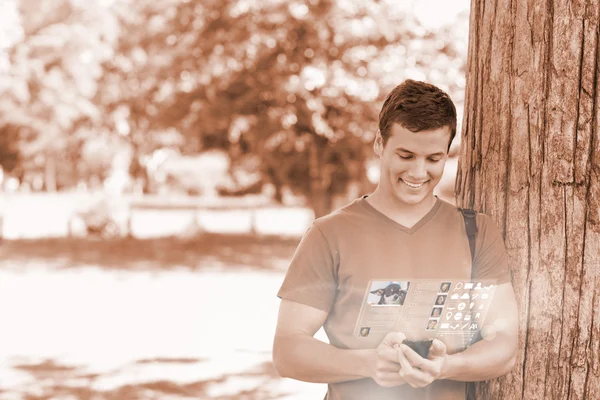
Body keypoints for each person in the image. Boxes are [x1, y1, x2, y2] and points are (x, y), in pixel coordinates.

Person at [272, 79, 519, 399]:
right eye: (406, 155)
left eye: (433, 159)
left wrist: (446, 367)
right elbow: (288, 349)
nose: (418, 173)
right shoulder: (329, 235)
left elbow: (503, 343)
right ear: (379, 143)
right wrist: (369, 364)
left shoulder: (477, 233)